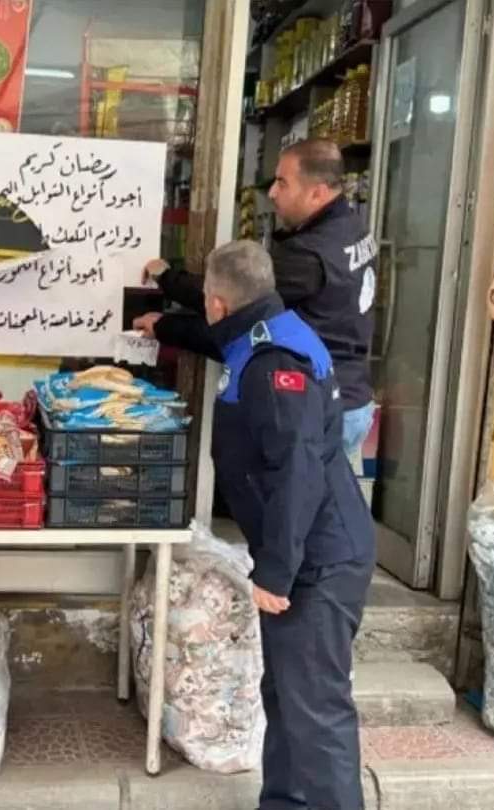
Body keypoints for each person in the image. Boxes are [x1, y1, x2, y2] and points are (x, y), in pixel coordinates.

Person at [200, 240, 375, 810]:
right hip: (307, 549)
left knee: (316, 706)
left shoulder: (277, 364)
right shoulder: (268, 330)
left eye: (204, 299)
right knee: (287, 693)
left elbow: (298, 467)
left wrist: (275, 571)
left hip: (319, 558)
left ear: (219, 304)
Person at [134, 138, 377, 466]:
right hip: (349, 399)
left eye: (282, 183)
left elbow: (236, 319)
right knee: (319, 507)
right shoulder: (352, 227)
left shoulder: (308, 255)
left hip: (317, 407)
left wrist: (165, 315)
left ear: (317, 192)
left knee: (291, 510)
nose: (273, 193)